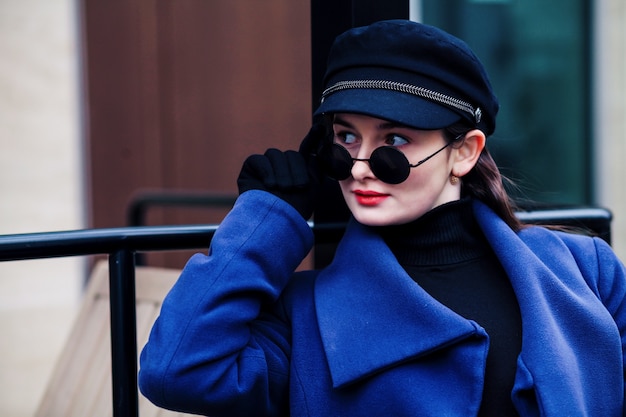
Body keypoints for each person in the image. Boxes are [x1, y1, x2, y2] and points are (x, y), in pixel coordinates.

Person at [138, 20, 626, 416]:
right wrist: (268, 218)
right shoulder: (304, 317)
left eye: (393, 142)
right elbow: (175, 370)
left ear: (464, 152)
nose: (358, 168)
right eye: (346, 137)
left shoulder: (586, 270)